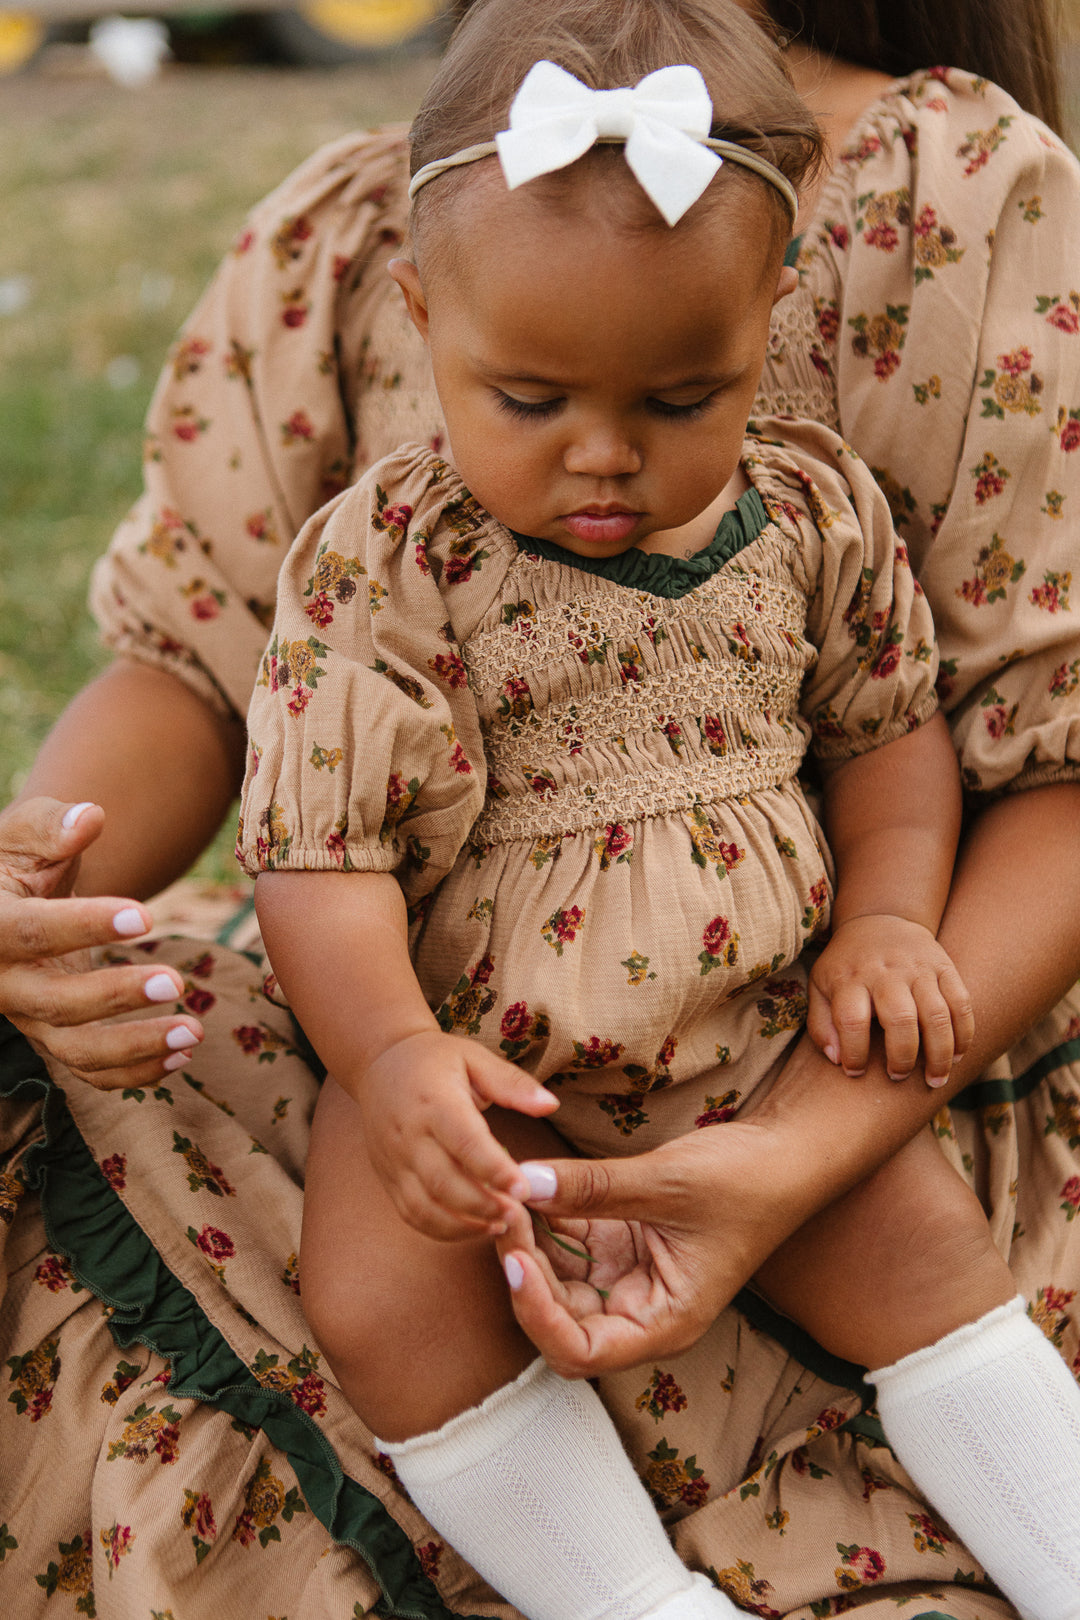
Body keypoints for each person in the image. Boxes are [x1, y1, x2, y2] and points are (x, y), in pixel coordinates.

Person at [0, 0, 1078, 1613]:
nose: (604, 463)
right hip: (434, 1036)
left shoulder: (941, 213)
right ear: (433, 316)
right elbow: (211, 684)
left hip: (815, 1043)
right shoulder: (367, 249)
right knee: (372, 1295)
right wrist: (43, 889)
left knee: (927, 1276)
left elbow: (914, 728)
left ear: (763, 319)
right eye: (526, 405)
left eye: (676, 403)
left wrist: (877, 956)